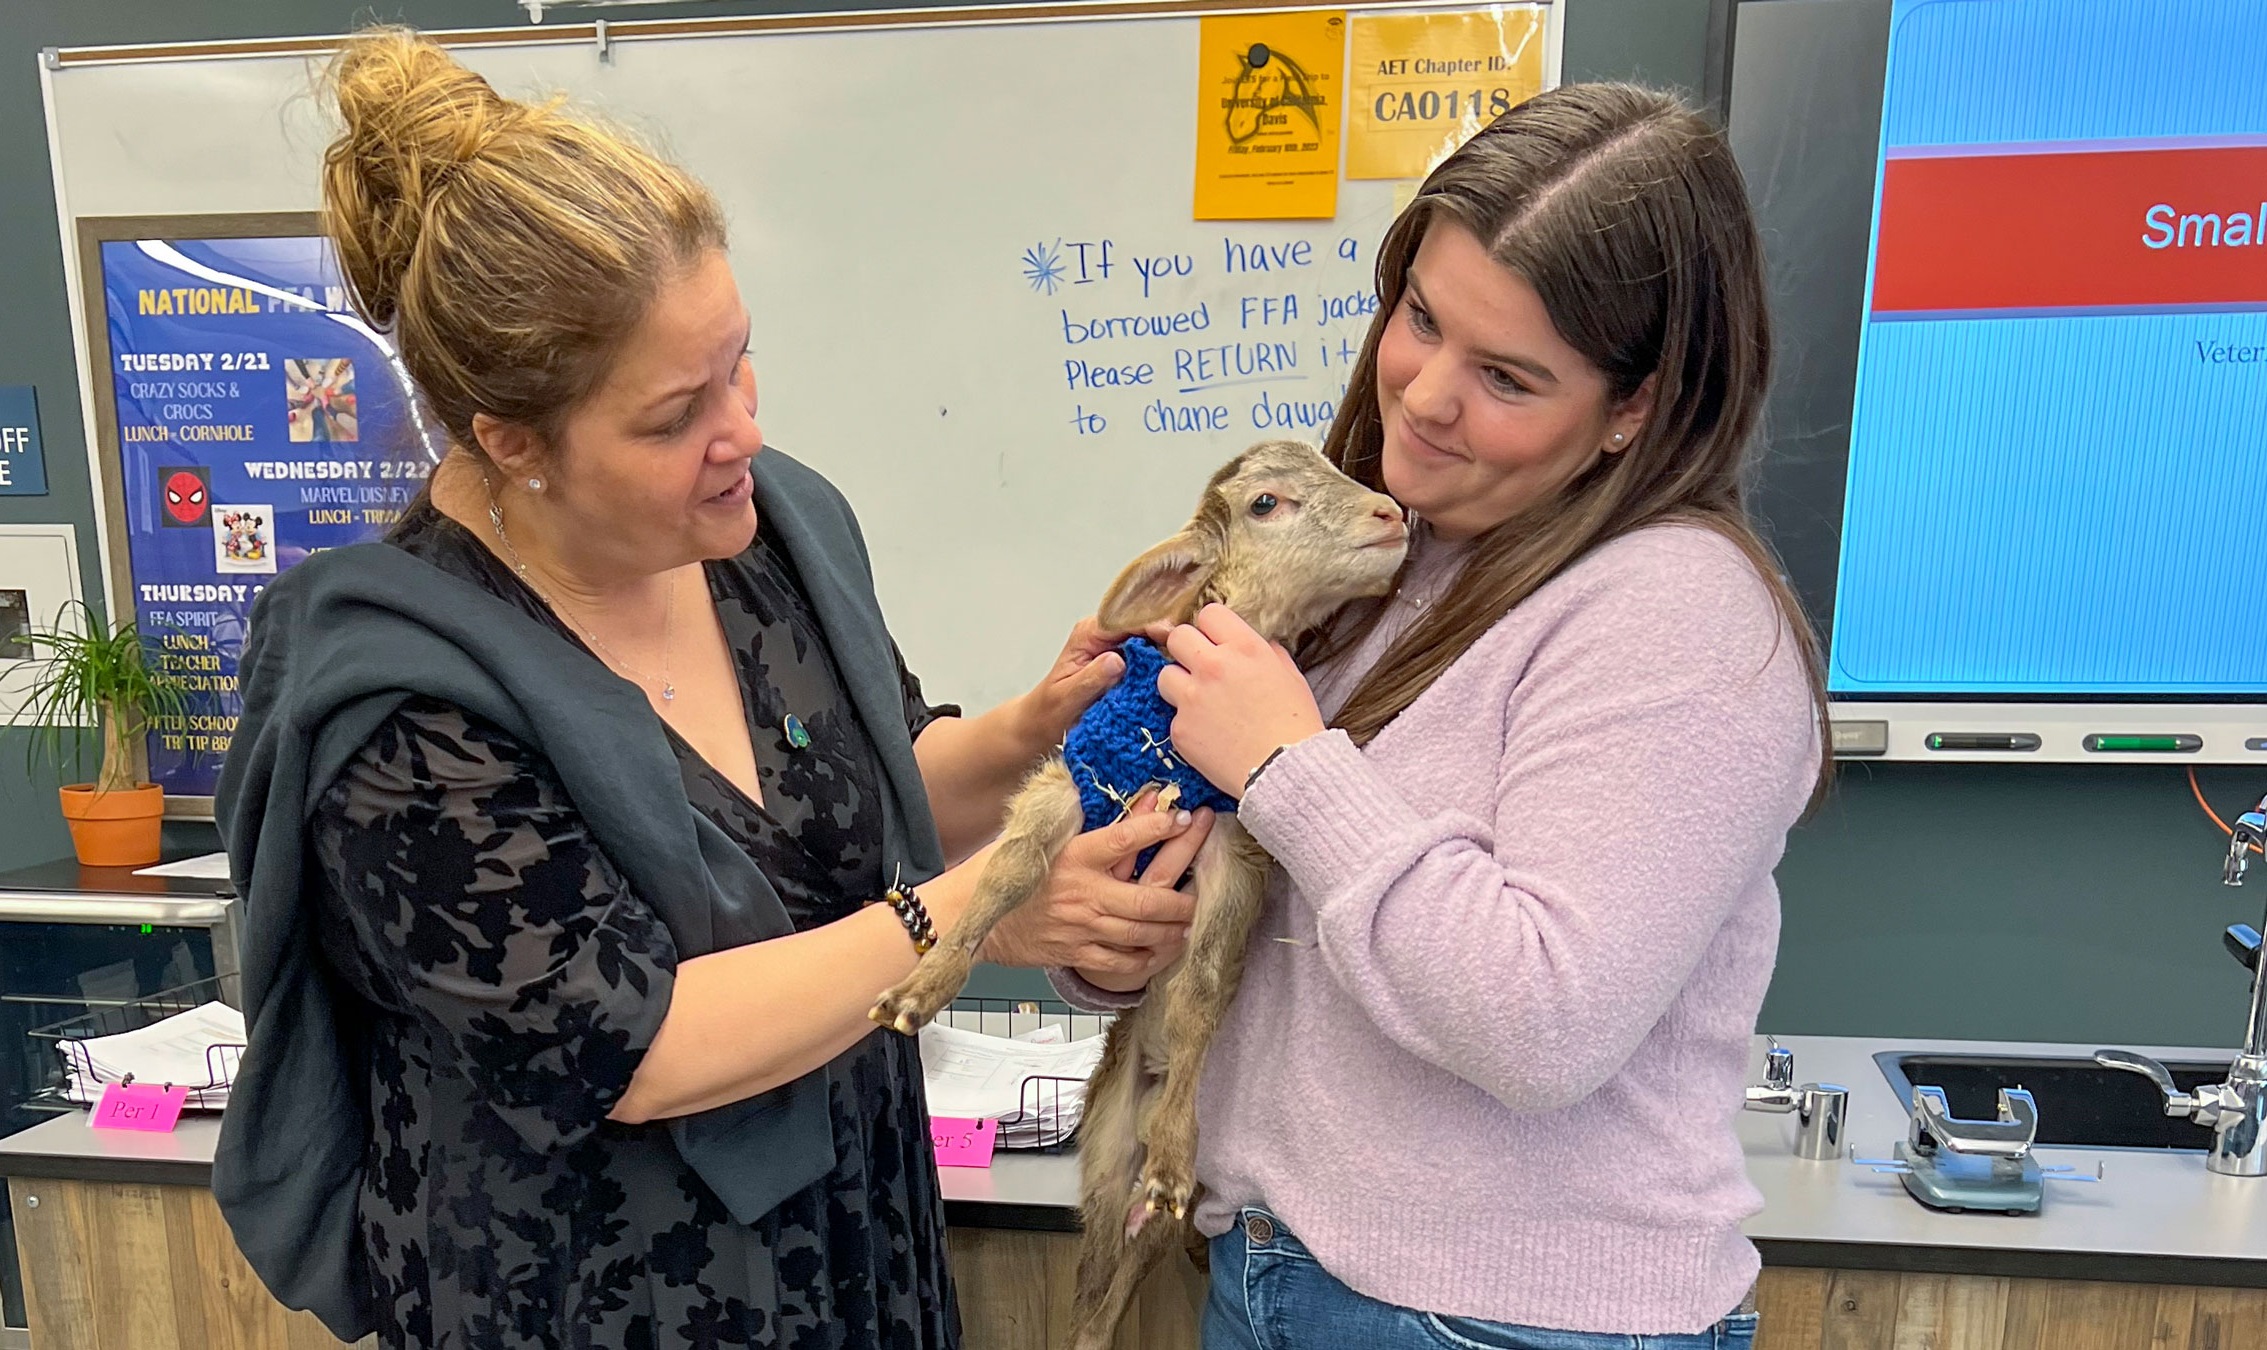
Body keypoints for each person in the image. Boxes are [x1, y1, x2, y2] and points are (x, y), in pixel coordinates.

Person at [213, 29, 1211, 1350]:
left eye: (737, 358)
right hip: (595, 1282)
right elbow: (639, 1045)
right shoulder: (397, 701)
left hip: (847, 1236)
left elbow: (858, 801)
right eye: (673, 413)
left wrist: (1036, 731)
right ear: (514, 442)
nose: (740, 426)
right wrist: (986, 910)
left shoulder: (769, 533)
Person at [1070, 83, 1830, 1347]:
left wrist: (1285, 764)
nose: (1422, 396)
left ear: (1633, 407)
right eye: (1420, 317)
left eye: (1507, 377)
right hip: (1280, 1276)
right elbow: (1291, 939)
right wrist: (1119, 936)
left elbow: (1541, 1022)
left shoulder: (1684, 614)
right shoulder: (1389, 563)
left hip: (1494, 1321)